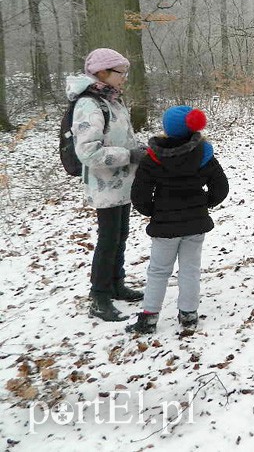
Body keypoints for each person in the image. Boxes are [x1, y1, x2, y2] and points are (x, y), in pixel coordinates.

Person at [126, 106, 229, 334]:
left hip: (164, 226)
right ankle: (189, 315)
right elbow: (221, 187)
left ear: (167, 128)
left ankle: (149, 317)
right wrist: (204, 203)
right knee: (190, 269)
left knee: (158, 271)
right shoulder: (204, 154)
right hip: (195, 223)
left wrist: (153, 211)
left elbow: (140, 194)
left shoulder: (153, 157)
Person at [69, 48, 146, 322]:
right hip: (104, 185)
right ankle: (99, 296)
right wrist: (130, 156)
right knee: (108, 239)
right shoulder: (89, 105)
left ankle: (116, 284)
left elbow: (122, 138)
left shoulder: (112, 100)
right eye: (120, 72)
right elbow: (88, 152)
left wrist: (141, 149)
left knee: (120, 235)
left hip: (122, 182)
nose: (124, 77)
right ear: (102, 73)